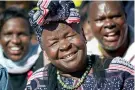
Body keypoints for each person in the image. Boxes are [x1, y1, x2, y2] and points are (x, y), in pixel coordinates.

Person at [25, 0, 134, 90]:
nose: (64, 46)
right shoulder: (38, 81)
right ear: (45, 51)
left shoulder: (119, 71)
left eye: (69, 36)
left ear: (84, 36)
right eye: (54, 42)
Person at [0, 7, 43, 90]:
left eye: (22, 34)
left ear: (31, 36)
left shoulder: (44, 60)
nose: (15, 41)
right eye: (8, 34)